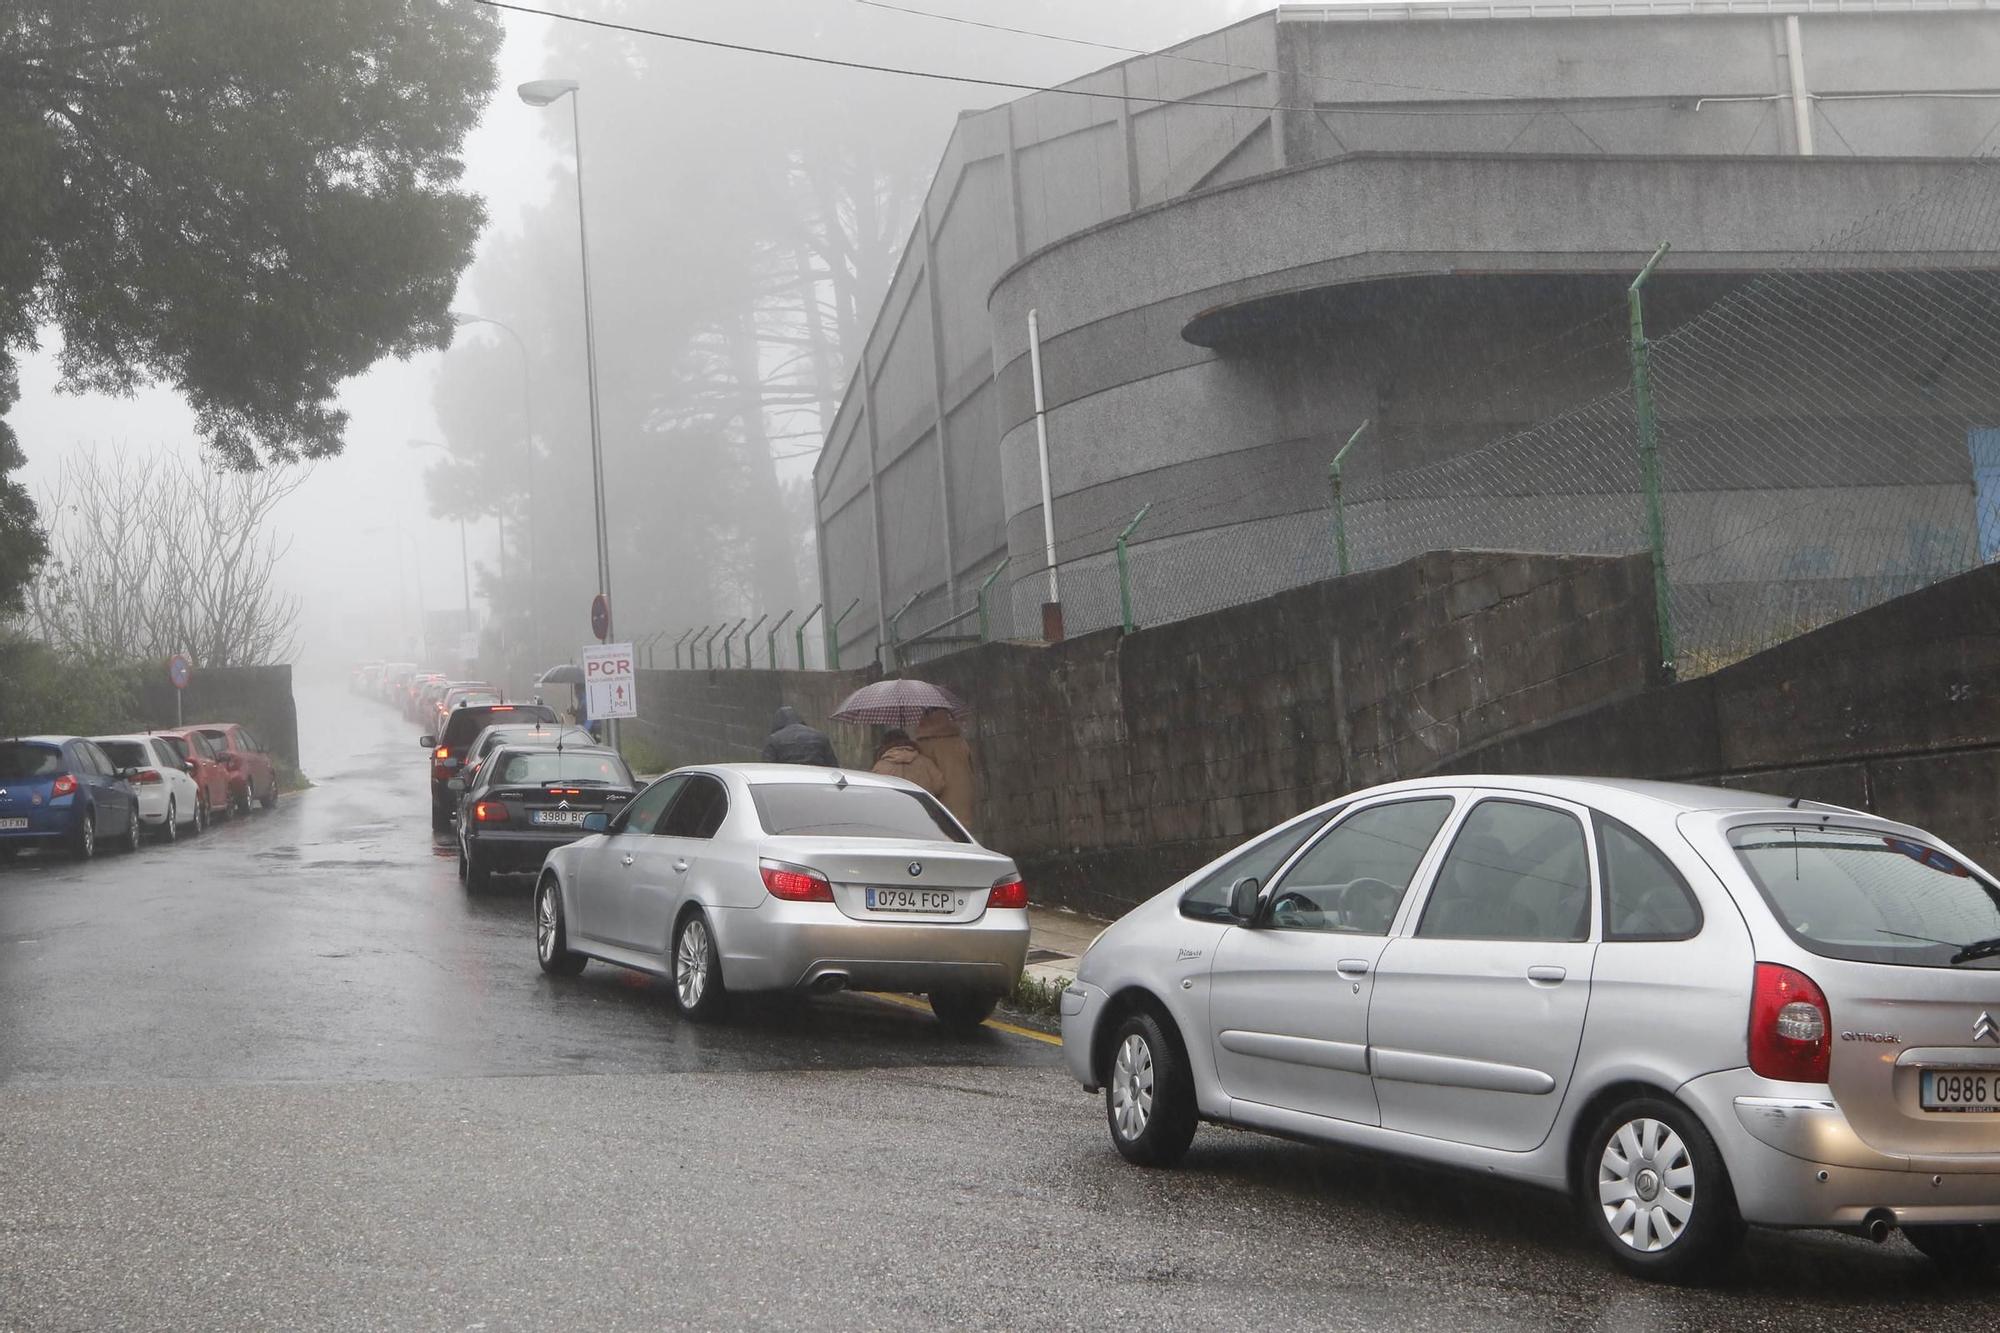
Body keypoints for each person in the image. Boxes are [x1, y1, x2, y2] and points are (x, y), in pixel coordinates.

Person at [914, 706, 975, 829]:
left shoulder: (925, 743)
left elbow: (929, 778)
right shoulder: (959, 740)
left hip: (939, 804)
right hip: (963, 798)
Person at [871, 728, 944, 796]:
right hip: (921, 806)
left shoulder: (880, 766)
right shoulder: (926, 762)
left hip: (893, 806)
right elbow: (938, 786)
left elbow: (875, 790)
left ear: (884, 744)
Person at [761, 705, 838, 766]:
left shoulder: (774, 740)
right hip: (817, 780)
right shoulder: (821, 737)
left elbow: (768, 769)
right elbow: (833, 767)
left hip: (787, 782)